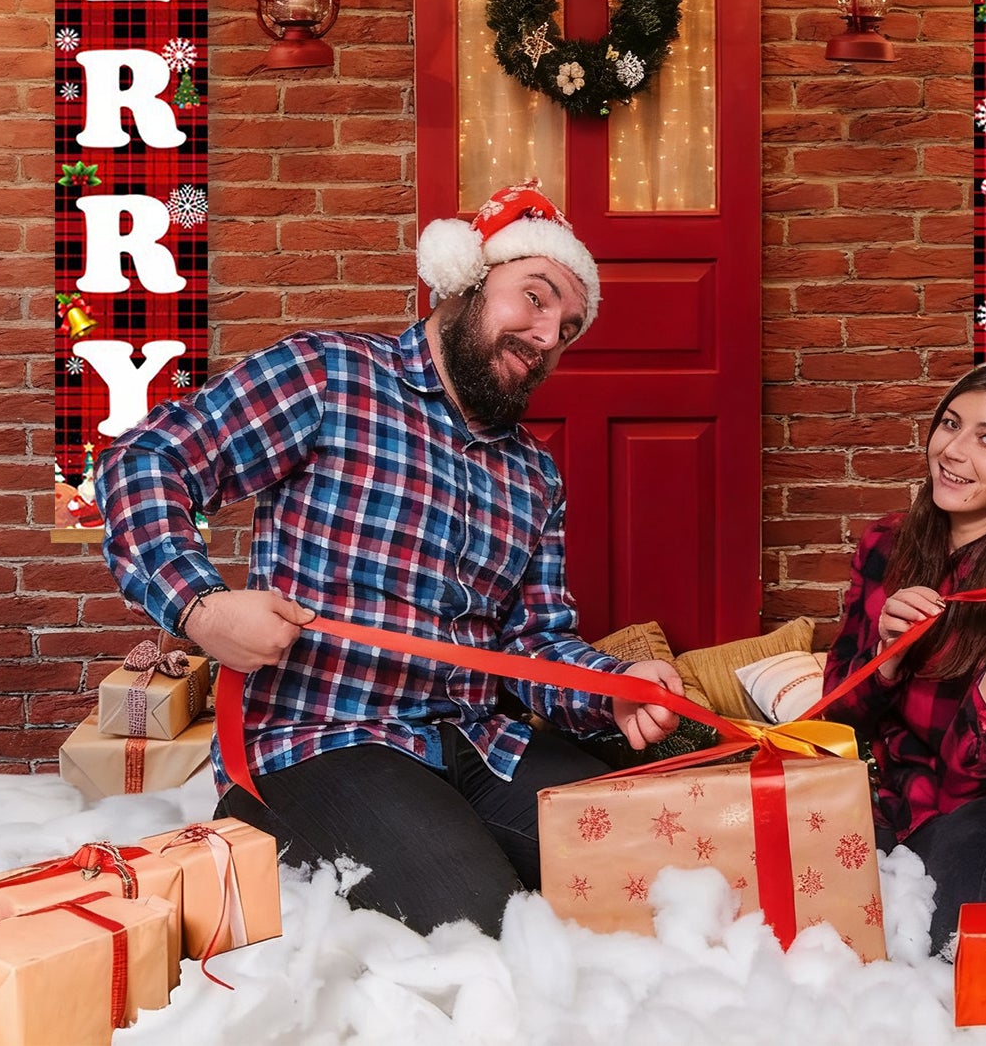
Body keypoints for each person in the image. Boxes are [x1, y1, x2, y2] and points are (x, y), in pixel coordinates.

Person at [98, 181, 682, 937]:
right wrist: (199, 607)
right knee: (479, 931)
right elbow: (145, 460)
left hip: (475, 742)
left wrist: (613, 688)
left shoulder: (534, 476)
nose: (546, 336)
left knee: (654, 876)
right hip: (319, 742)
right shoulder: (328, 376)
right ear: (468, 278)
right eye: (534, 299)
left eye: (567, 328)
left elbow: (535, 644)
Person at [820, 355, 986, 958]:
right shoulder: (885, 543)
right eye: (950, 424)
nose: (953, 450)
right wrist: (886, 656)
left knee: (957, 938)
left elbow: (975, 777)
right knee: (824, 923)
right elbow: (834, 719)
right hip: (891, 790)